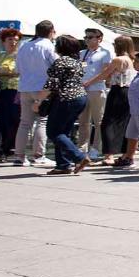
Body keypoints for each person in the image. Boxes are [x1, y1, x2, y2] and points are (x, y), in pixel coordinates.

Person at [35, 34, 90, 175]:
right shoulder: (76, 62)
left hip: (65, 98)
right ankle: (63, 164)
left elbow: (51, 85)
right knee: (63, 132)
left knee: (54, 132)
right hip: (80, 97)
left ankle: (79, 157)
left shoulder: (61, 62)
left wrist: (38, 101)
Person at [85, 35, 133, 167]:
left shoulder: (118, 59)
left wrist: (88, 83)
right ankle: (125, 154)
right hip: (128, 92)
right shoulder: (131, 59)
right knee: (123, 123)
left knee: (108, 123)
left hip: (118, 91)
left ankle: (109, 155)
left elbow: (104, 74)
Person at [14, 20, 56, 167]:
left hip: (25, 87)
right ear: (51, 31)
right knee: (42, 121)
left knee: (24, 122)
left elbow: (17, 68)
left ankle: (19, 156)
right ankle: (39, 155)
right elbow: (56, 66)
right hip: (42, 88)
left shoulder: (24, 46)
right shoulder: (48, 46)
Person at [77, 28, 113, 158]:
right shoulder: (82, 53)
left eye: (90, 37)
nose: (87, 39)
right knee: (83, 121)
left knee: (98, 121)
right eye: (86, 37)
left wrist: (89, 82)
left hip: (96, 89)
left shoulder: (105, 53)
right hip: (82, 90)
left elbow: (104, 73)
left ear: (99, 39)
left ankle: (96, 148)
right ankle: (82, 148)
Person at [0, 27, 22, 161]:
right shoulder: (1, 55)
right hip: (1, 90)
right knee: (3, 119)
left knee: (13, 119)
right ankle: (4, 146)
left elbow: (14, 70)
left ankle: (8, 147)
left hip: (14, 89)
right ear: (3, 41)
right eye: (10, 39)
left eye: (16, 40)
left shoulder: (19, 55)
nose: (13, 42)